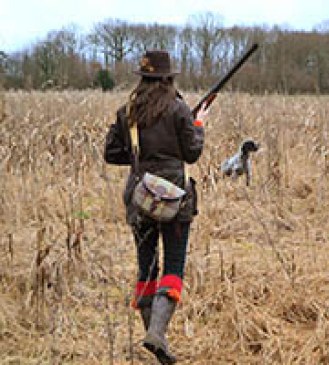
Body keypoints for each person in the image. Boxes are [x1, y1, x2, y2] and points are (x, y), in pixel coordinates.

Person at [103, 50, 208, 364]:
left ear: (143, 78)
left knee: (147, 266)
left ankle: (155, 338)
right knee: (173, 268)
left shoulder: (128, 112)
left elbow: (111, 152)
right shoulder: (178, 110)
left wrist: (140, 159)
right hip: (175, 198)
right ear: (168, 77)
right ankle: (157, 334)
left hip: (139, 197)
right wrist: (198, 123)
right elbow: (192, 153)